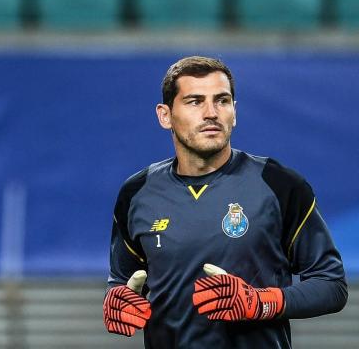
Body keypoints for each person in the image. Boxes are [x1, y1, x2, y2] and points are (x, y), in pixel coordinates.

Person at [102, 56, 347, 348]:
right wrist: (117, 302)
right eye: (194, 101)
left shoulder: (280, 185)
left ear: (234, 112)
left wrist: (260, 302)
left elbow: (331, 286)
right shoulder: (136, 193)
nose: (211, 113)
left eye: (222, 100)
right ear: (165, 115)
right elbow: (122, 281)